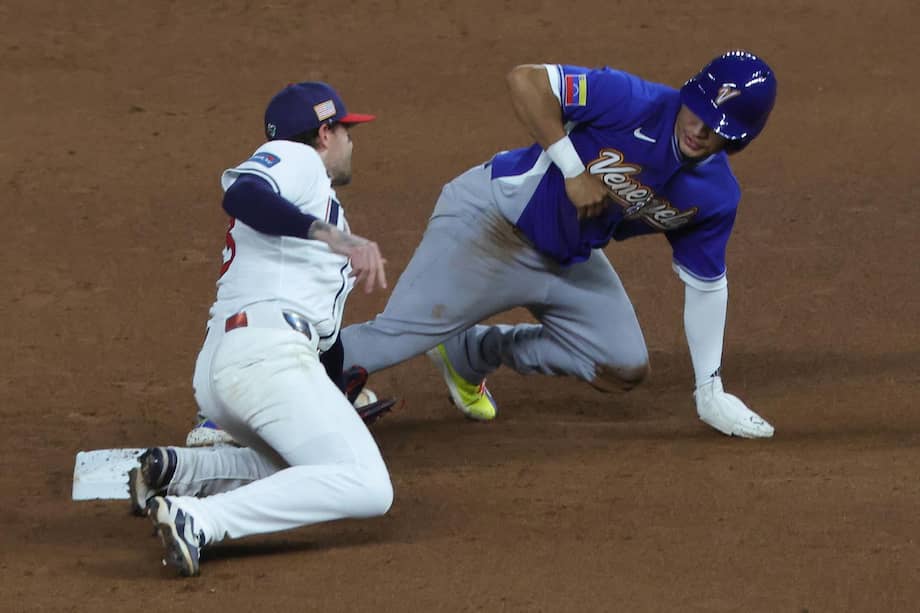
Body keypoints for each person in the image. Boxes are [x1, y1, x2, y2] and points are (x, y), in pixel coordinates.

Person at [339, 50, 777, 438]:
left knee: (621, 366)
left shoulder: (715, 197)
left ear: (740, 139)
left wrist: (709, 388)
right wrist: (572, 169)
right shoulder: (634, 100)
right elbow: (526, 80)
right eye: (696, 111)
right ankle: (288, 387)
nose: (698, 129)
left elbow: (706, 284)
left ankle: (471, 351)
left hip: (569, 258)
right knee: (389, 343)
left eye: (715, 126)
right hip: (491, 222)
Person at [128, 82, 393, 577]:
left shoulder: (317, 200)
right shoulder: (296, 160)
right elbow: (243, 194)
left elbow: (329, 348)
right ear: (323, 133)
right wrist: (331, 235)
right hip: (263, 358)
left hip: (232, 366)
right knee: (369, 486)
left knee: (307, 461)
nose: (352, 141)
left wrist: (338, 402)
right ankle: (198, 519)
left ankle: (180, 473)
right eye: (346, 130)